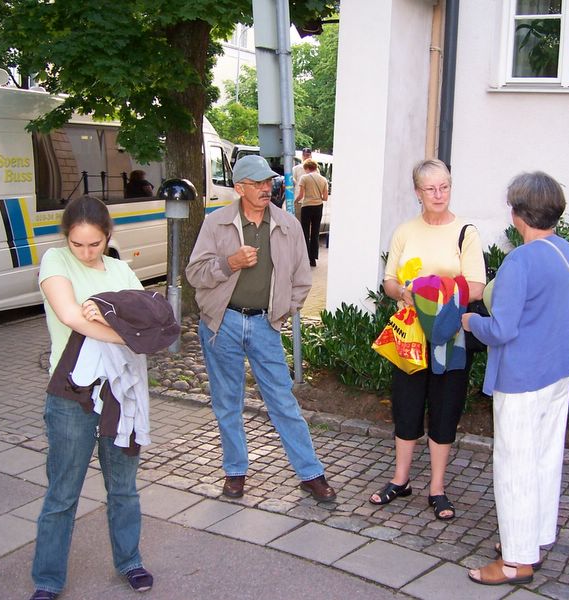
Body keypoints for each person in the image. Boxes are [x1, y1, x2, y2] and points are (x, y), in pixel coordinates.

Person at [186, 154, 336, 503]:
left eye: (268, 182)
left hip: (265, 324)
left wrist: (282, 313)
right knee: (228, 402)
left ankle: (310, 474)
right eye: (257, 183)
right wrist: (230, 263)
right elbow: (195, 274)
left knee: (282, 401)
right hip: (222, 324)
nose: (266, 188)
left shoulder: (287, 225)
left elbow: (302, 279)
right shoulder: (216, 223)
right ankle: (235, 471)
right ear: (240, 188)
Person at [29, 196, 155, 599]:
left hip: (121, 394)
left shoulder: (120, 269)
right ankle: (47, 580)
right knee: (63, 492)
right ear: (66, 237)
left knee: (123, 487)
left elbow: (151, 319)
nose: (85, 252)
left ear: (108, 237)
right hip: (72, 394)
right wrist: (127, 336)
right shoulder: (55, 261)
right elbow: (70, 316)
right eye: (77, 244)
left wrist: (121, 326)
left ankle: (130, 561)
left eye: (94, 244)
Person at [462, 172, 569, 586]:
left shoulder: (519, 261)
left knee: (515, 468)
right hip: (557, 372)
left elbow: (502, 329)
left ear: (518, 214)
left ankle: (515, 562)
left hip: (521, 379)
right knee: (545, 461)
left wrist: (471, 322)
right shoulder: (567, 252)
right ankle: (532, 541)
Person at [368, 159, 485, 521]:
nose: (439, 194)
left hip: (450, 336)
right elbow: (389, 281)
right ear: (417, 192)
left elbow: (477, 287)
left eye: (444, 186)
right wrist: (403, 293)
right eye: (431, 188)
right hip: (411, 334)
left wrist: (431, 292)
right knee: (406, 405)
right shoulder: (405, 231)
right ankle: (400, 480)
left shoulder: (465, 232)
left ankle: (437, 488)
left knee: (445, 408)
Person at [295, 158, 329, 267]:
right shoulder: (323, 179)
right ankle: (313, 259)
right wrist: (317, 197)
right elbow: (325, 197)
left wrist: (295, 201)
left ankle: (305, 257)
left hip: (307, 206)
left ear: (307, 168)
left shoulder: (304, 178)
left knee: (305, 232)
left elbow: (301, 195)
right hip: (318, 207)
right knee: (315, 232)